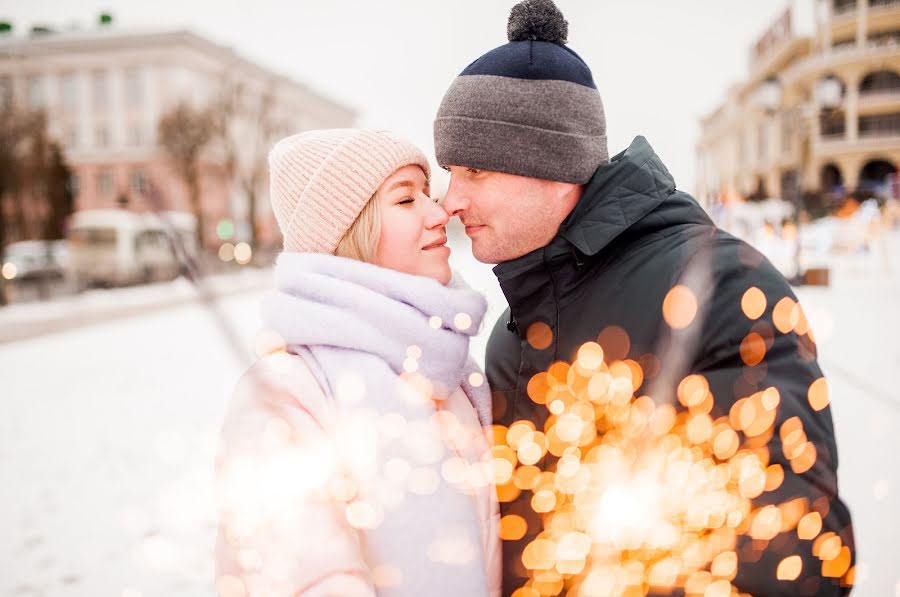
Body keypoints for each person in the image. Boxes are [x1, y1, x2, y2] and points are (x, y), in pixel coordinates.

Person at [434, 1, 855, 595]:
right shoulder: (508, 337)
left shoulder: (718, 286)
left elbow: (795, 551)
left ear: (552, 167)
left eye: (473, 171)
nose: (449, 200)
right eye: (449, 171)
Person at [214, 129, 500, 597]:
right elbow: (304, 577)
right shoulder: (285, 389)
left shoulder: (453, 370)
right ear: (350, 231)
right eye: (406, 201)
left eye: (427, 194)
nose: (439, 212)